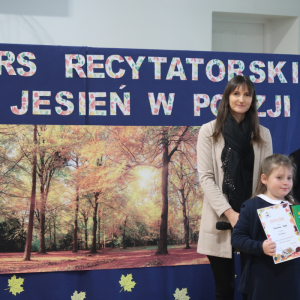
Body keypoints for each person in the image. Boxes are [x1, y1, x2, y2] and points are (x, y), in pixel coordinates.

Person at [197, 75, 272, 300]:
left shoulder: (263, 133)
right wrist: (230, 214)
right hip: (220, 217)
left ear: (253, 99)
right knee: (224, 289)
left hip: (253, 220)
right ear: (227, 97)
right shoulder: (209, 131)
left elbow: (265, 179)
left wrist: (247, 216)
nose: (242, 99)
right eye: (236, 93)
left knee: (253, 288)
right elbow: (206, 178)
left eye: (247, 94)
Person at [231, 154, 300, 300]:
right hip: (261, 278)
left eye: (289, 178)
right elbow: (237, 238)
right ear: (264, 179)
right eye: (279, 177)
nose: (286, 182)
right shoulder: (251, 206)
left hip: (292, 278)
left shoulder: (295, 206)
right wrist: (260, 247)